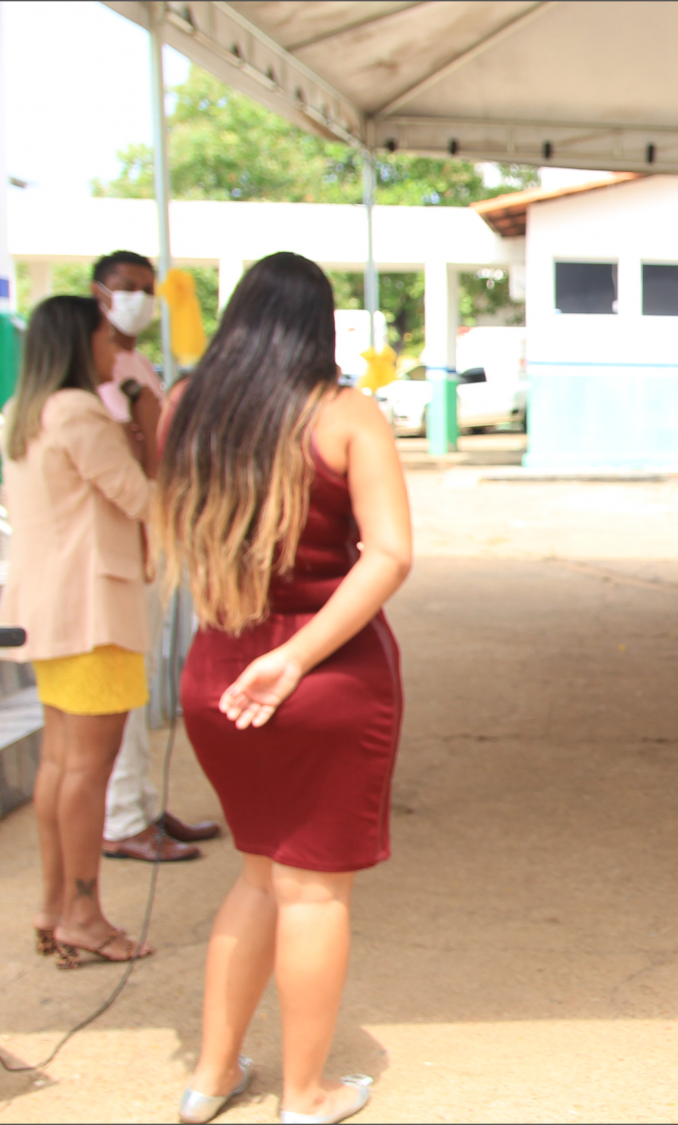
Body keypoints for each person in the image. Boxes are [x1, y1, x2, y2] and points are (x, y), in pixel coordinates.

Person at [162, 253, 410, 1124]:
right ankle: (302, 1094)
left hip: (218, 672)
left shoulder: (187, 408)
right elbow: (389, 554)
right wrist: (299, 657)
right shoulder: (346, 414)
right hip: (324, 676)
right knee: (312, 889)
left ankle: (209, 1077)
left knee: (258, 874)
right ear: (320, 325)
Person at [0, 295, 160, 969]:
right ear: (77, 340)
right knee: (87, 771)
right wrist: (149, 425)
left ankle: (55, 905)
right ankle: (85, 914)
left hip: (46, 608)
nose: (113, 346)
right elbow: (142, 496)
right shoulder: (78, 412)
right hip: (94, 613)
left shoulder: (23, 412)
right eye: (104, 335)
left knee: (63, 763)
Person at [90, 250, 217, 864]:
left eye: (147, 288)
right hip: (120, 546)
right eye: (127, 288)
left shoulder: (135, 360)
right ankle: (121, 819)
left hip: (149, 540)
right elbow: (134, 462)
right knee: (123, 691)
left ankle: (141, 806)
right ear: (99, 292)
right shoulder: (93, 375)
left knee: (139, 687)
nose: (138, 298)